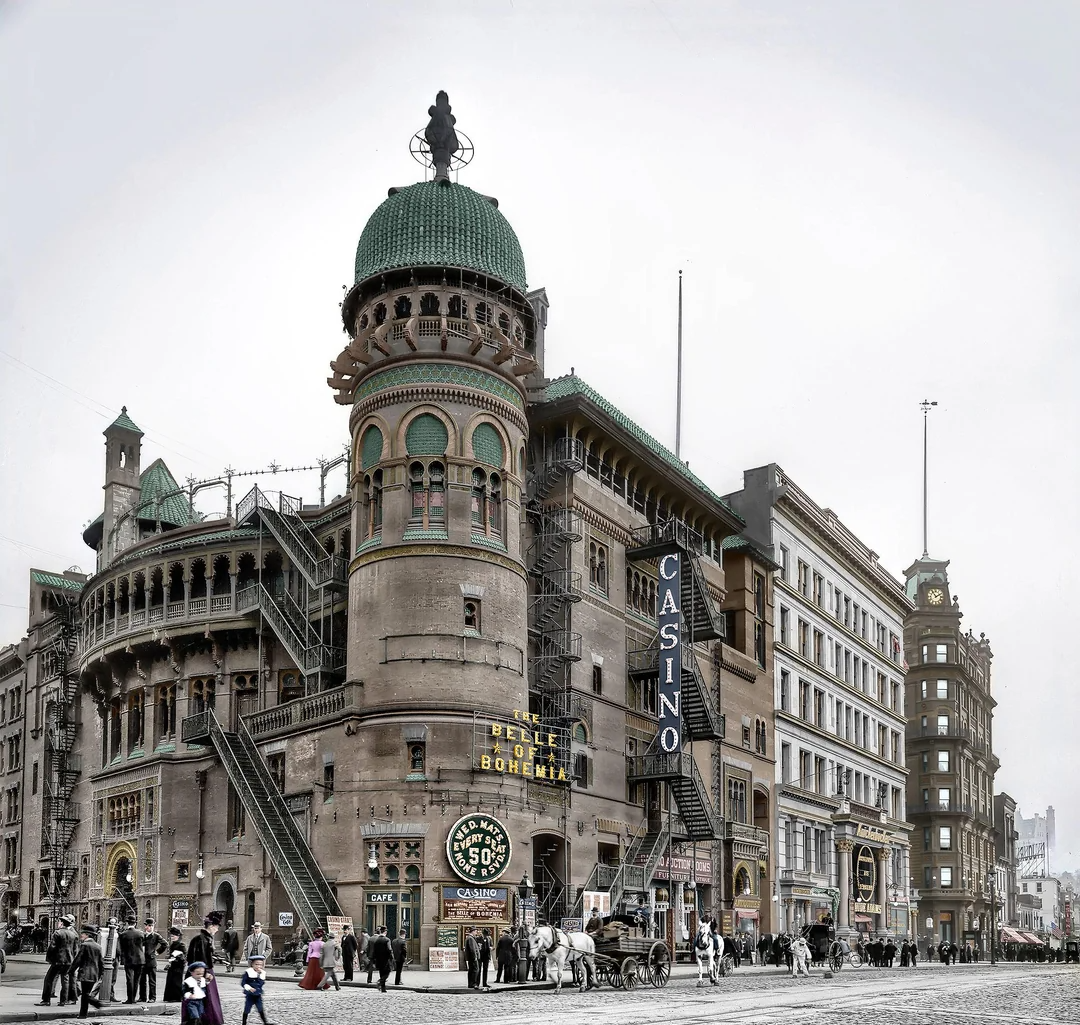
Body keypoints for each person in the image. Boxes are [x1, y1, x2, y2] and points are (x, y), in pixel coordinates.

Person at [186, 912, 224, 1025]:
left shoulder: (205, 938)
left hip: (203, 971)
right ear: (211, 926)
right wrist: (205, 973)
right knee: (203, 998)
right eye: (216, 927)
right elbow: (200, 958)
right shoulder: (201, 939)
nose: (217, 930)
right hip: (201, 972)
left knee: (206, 997)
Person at [36, 913, 78, 1006]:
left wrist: (49, 958)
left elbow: (52, 947)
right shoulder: (73, 934)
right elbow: (75, 949)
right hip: (69, 961)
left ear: (62, 923)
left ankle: (46, 1000)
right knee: (65, 980)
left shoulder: (58, 933)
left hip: (58, 960)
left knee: (48, 979)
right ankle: (63, 1000)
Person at [71, 924, 104, 1020]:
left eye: (83, 934)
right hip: (94, 974)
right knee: (86, 993)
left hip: (85, 972)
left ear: (87, 935)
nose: (81, 935)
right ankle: (83, 1014)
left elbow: (78, 960)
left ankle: (93, 1003)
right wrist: (100, 974)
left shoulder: (84, 945)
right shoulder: (98, 946)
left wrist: (71, 970)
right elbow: (101, 962)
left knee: (85, 994)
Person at [118, 915, 146, 1004]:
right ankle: (133, 998)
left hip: (129, 959)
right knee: (136, 980)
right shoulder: (141, 933)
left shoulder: (123, 934)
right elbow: (143, 945)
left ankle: (130, 999)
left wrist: (122, 960)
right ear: (135, 923)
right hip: (140, 959)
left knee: (129, 979)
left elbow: (121, 948)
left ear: (127, 923)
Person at [139, 918, 166, 1001]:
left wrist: (156, 953)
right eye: (149, 925)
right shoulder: (142, 935)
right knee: (142, 981)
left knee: (152, 981)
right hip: (143, 961)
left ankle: (152, 998)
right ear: (145, 926)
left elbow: (165, 944)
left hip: (151, 961)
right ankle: (142, 997)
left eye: (152, 926)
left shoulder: (156, 936)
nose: (150, 927)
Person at [241, 953, 269, 1025]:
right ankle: (244, 1023)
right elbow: (243, 982)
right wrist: (249, 988)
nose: (258, 966)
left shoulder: (262, 973)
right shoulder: (248, 972)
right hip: (250, 995)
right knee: (247, 1009)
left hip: (258, 994)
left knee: (260, 1008)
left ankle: (265, 1022)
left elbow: (261, 983)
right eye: (256, 964)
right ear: (252, 964)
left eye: (260, 965)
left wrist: (259, 975)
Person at [164, 927, 187, 1003]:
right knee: (170, 980)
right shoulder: (172, 945)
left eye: (174, 936)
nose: (172, 938)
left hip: (179, 965)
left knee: (177, 981)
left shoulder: (181, 945)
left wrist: (178, 956)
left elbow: (184, 955)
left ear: (178, 936)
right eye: (171, 936)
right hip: (173, 964)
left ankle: (177, 997)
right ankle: (170, 997)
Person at [369, 925, 393, 992]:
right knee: (387, 972)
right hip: (386, 960)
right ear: (385, 932)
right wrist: (391, 957)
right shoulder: (387, 940)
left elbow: (374, 951)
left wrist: (374, 959)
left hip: (378, 959)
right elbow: (389, 949)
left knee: (381, 973)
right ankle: (380, 981)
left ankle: (383, 988)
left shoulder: (377, 940)